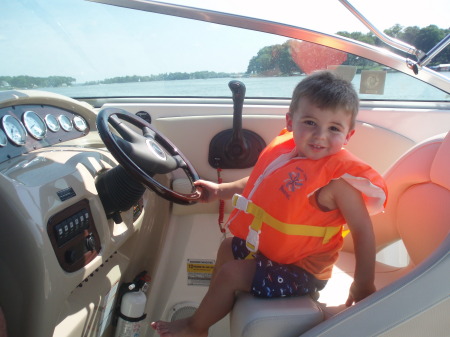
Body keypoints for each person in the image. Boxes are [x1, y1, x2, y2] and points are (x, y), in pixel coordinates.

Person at [151, 71, 387, 337]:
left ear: (348, 135)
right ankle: (207, 313)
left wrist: (363, 284)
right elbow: (256, 185)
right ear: (290, 121)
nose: (320, 136)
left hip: (304, 271)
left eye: (334, 128)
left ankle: (196, 327)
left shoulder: (338, 182)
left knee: (231, 273)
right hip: (274, 255)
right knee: (228, 246)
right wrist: (219, 190)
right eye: (310, 122)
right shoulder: (287, 155)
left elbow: (363, 231)